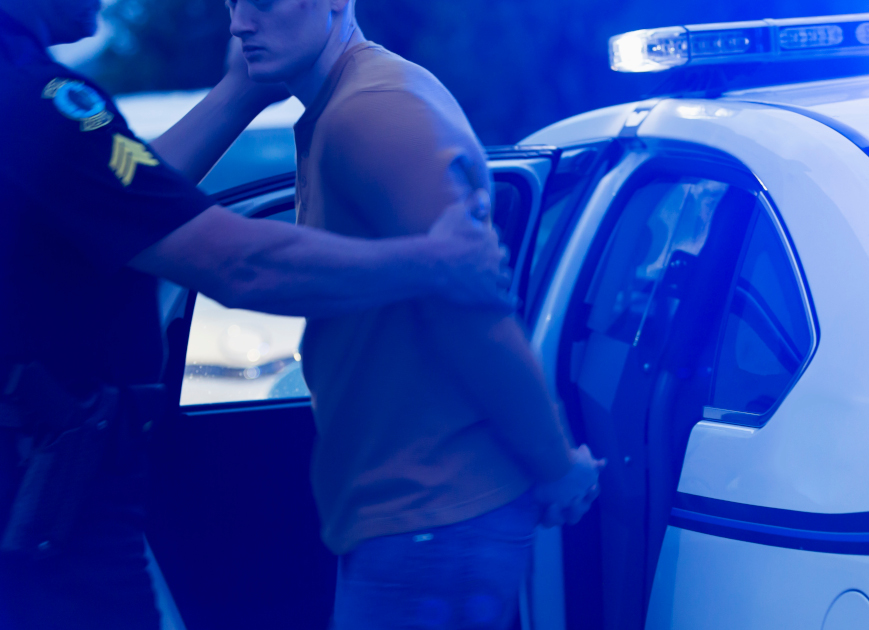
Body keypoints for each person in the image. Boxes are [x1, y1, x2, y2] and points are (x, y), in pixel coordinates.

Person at [0, 0, 516, 626]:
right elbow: (240, 264)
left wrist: (239, 94)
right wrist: (436, 263)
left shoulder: (22, 99)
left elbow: (126, 206)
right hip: (52, 517)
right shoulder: (43, 102)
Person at [213, 0, 605, 627]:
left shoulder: (373, 111)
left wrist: (557, 466)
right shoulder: (346, 104)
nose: (238, 24)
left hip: (435, 518)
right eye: (230, 3)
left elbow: (470, 312)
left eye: (262, 1)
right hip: (417, 515)